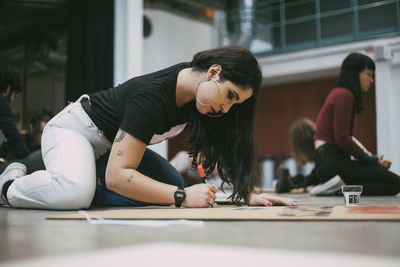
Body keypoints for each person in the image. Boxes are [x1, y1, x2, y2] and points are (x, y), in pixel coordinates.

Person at [0, 46, 297, 209]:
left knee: (172, 183)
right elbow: (119, 176)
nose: (226, 108)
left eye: (236, 105)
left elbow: (220, 156)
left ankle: (82, 180)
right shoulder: (153, 96)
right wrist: (181, 198)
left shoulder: (201, 103)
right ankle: (10, 183)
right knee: (75, 194)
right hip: (73, 130)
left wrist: (243, 194)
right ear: (214, 73)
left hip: (107, 148)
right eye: (231, 97)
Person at [313, 52, 400, 196]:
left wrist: (371, 160)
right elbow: (343, 139)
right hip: (331, 162)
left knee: (384, 178)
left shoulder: (337, 93)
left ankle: (337, 190)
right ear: (355, 73)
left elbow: (343, 140)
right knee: (395, 182)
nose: (371, 80)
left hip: (326, 162)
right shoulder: (344, 95)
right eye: (368, 74)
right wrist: (370, 160)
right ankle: (337, 191)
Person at [276, 118, 344, 195]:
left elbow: (318, 177)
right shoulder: (325, 148)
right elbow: (314, 177)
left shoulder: (322, 154)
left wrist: (294, 185)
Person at [0, 109, 53, 174]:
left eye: (49, 133)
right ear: (32, 128)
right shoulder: (20, 144)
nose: (46, 137)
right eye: (42, 132)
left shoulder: (51, 149)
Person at [0, 65, 30, 159]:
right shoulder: (1, 101)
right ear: (8, 88)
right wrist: (31, 161)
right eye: (15, 94)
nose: (12, 100)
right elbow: (15, 140)